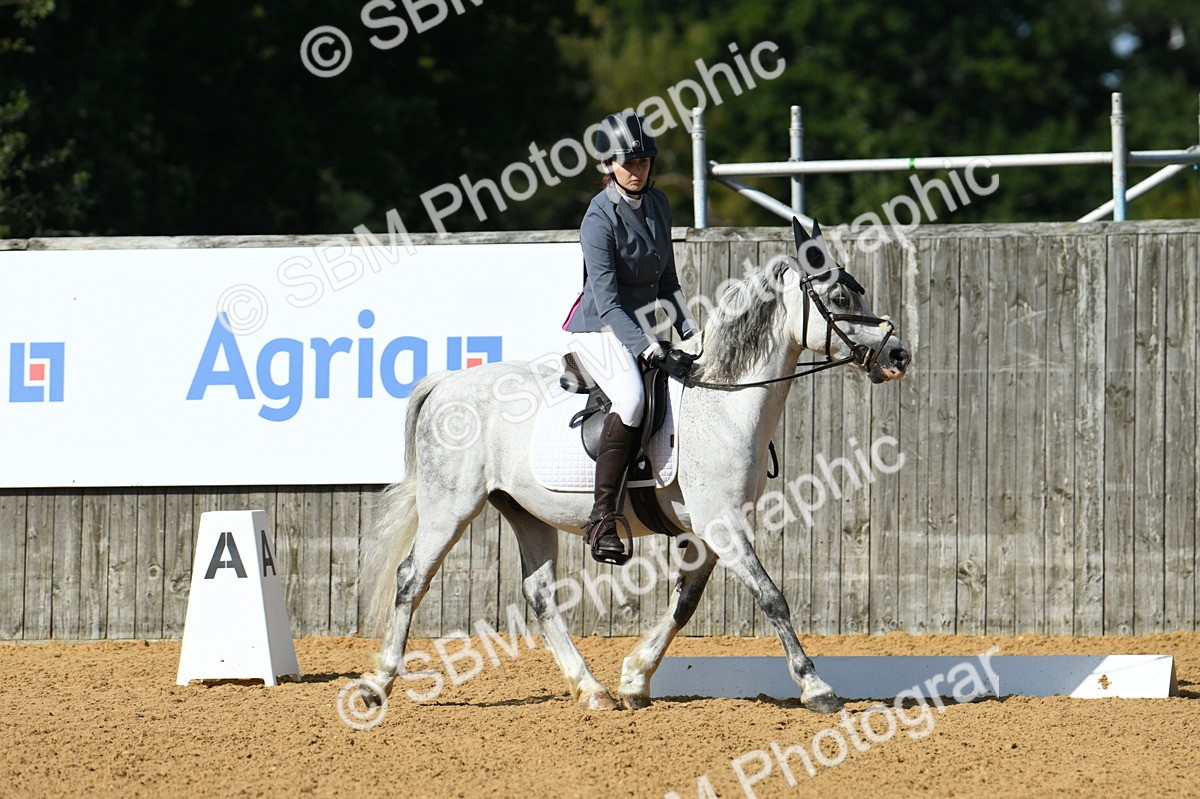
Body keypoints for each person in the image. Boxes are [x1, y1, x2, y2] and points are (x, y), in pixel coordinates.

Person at [561, 111, 699, 564]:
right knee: (633, 401)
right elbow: (607, 299)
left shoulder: (659, 205)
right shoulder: (597, 219)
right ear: (608, 166)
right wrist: (650, 347)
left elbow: (668, 281)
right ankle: (602, 519)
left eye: (643, 161)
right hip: (598, 327)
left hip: (642, 328)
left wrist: (691, 331)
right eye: (628, 163)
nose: (637, 170)